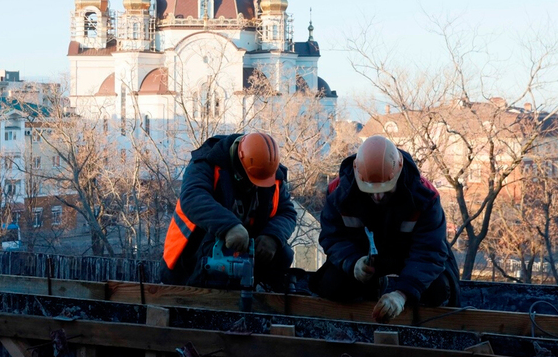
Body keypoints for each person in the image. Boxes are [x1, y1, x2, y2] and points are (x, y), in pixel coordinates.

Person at [312, 135, 460, 322]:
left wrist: (402, 294)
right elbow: (332, 237)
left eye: (385, 189)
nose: (378, 197)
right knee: (331, 286)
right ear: (358, 176)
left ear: (398, 173)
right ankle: (373, 285)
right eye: (371, 190)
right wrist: (353, 262)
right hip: (364, 256)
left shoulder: (424, 197)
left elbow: (429, 251)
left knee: (439, 290)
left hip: (410, 257)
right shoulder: (339, 193)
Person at [161, 132, 297, 289]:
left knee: (284, 254)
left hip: (246, 250)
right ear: (240, 164)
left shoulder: (269, 173)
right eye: (252, 181)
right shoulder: (207, 161)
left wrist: (273, 236)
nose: (255, 186)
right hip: (191, 256)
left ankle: (265, 299)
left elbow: (287, 213)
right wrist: (229, 227)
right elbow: (193, 197)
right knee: (217, 250)